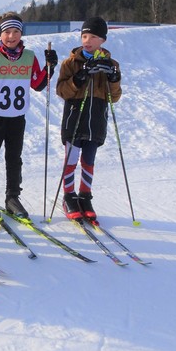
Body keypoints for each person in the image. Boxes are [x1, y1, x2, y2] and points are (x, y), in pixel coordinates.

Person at [0, 12, 57, 220]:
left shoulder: (29, 56)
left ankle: (12, 197)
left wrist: (51, 67)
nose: (11, 36)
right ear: (0, 34)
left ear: (21, 34)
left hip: (17, 117)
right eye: (7, 32)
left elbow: (38, 84)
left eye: (15, 32)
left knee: (14, 159)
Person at [56, 16, 122, 220]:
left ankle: (85, 196)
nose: (87, 40)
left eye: (93, 36)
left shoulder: (111, 63)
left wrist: (113, 79)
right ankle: (69, 196)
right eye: (84, 35)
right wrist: (78, 79)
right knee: (71, 159)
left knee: (88, 160)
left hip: (95, 121)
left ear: (102, 40)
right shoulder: (70, 63)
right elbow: (61, 91)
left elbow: (115, 96)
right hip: (74, 121)